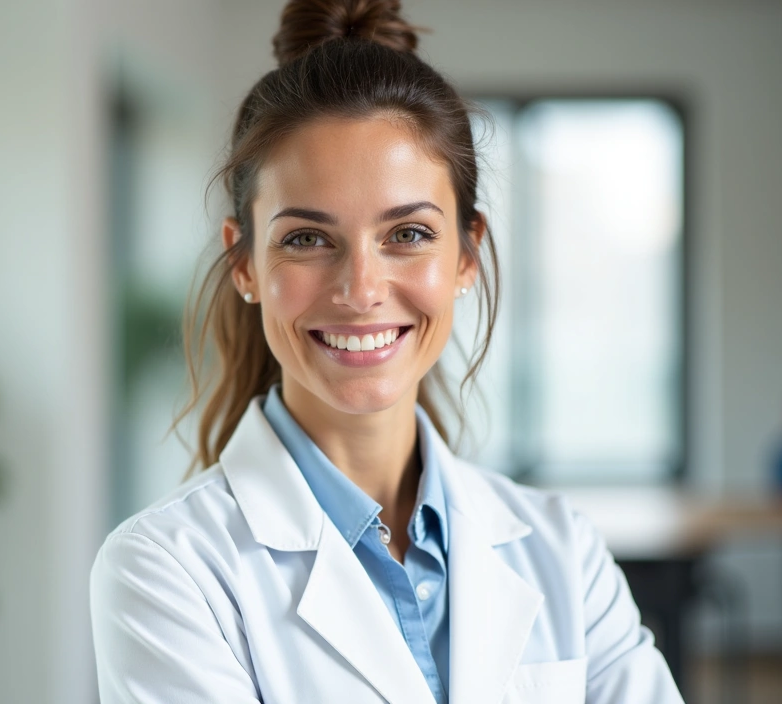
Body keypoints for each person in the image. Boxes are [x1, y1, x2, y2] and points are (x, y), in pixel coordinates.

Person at [89, 1, 684, 702]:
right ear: (244, 263)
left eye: (407, 235)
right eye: (307, 239)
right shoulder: (167, 571)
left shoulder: (563, 553)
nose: (361, 290)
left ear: (467, 254)